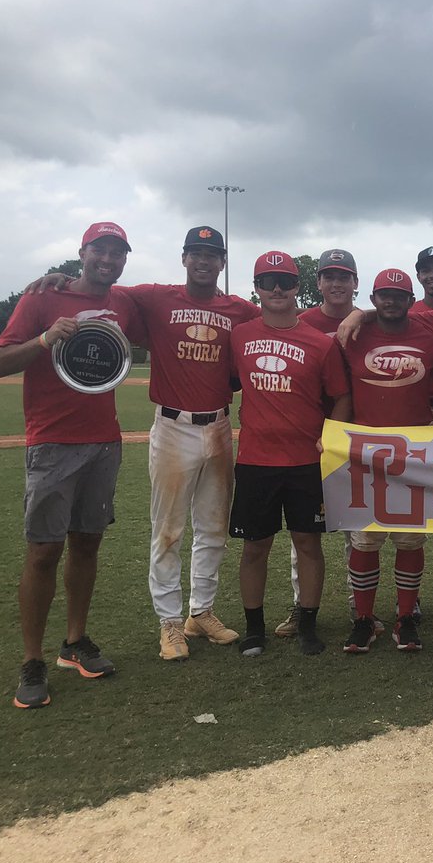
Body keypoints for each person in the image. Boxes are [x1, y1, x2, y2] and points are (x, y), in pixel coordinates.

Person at [0, 222, 146, 709]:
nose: (108, 259)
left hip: (104, 442)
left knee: (86, 544)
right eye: (100, 250)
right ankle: (31, 660)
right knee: (43, 551)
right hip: (52, 442)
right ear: (82, 253)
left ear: (124, 260)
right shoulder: (42, 297)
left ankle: (74, 642)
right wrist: (44, 339)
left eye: (117, 253)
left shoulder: (123, 302)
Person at [126, 227, 260, 661]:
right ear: (184, 258)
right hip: (173, 426)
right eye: (196, 253)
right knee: (168, 529)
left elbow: (280, 322)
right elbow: (106, 292)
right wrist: (61, 282)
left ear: (222, 262)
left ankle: (200, 612)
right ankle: (169, 621)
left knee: (214, 527)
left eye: (212, 254)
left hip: (218, 425)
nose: (204, 261)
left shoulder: (239, 308)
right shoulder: (157, 296)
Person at [228, 251, 351, 657]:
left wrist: (331, 434)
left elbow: (341, 396)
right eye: (268, 281)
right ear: (257, 288)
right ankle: (254, 629)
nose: (277, 288)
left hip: (304, 462)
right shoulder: (239, 336)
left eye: (285, 280)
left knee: (308, 543)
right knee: (254, 546)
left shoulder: (319, 343)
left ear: (298, 286)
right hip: (255, 460)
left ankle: (308, 625)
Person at [340, 269, 433, 653]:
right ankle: (364, 619)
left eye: (399, 295)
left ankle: (405, 616)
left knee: (409, 539)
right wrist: (359, 315)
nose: (391, 301)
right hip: (364, 449)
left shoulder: (428, 335)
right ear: (373, 297)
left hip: (413, 449)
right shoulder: (354, 335)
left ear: (411, 300)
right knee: (365, 539)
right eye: (384, 294)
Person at [280, 248, 360, 637]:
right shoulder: (303, 321)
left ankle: (359, 605)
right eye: (330, 276)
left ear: (355, 283)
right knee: (304, 530)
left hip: (358, 434)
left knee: (356, 528)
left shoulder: (370, 321)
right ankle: (302, 606)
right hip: (311, 437)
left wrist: (366, 313)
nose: (336, 283)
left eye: (344, 276)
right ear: (319, 282)